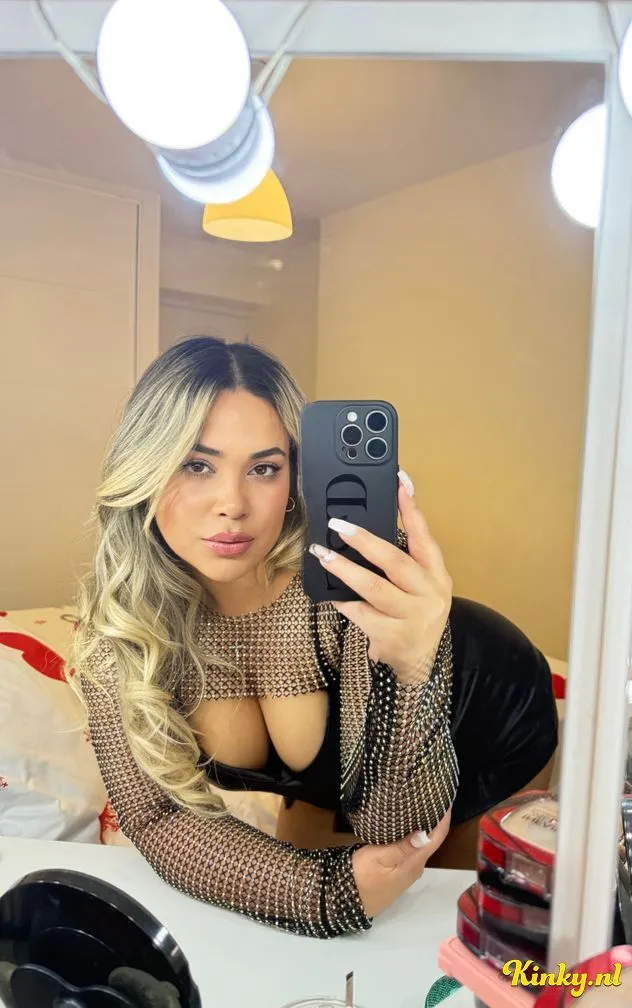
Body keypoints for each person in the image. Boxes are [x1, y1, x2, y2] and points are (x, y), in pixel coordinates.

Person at [70, 336, 558, 939]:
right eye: (197, 464)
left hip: (489, 715)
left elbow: (392, 829)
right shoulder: (122, 620)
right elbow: (156, 817)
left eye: (264, 468)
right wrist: (325, 895)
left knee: (451, 933)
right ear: (144, 466)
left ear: (295, 475)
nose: (233, 505)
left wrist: (412, 672)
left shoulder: (342, 579)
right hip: (333, 777)